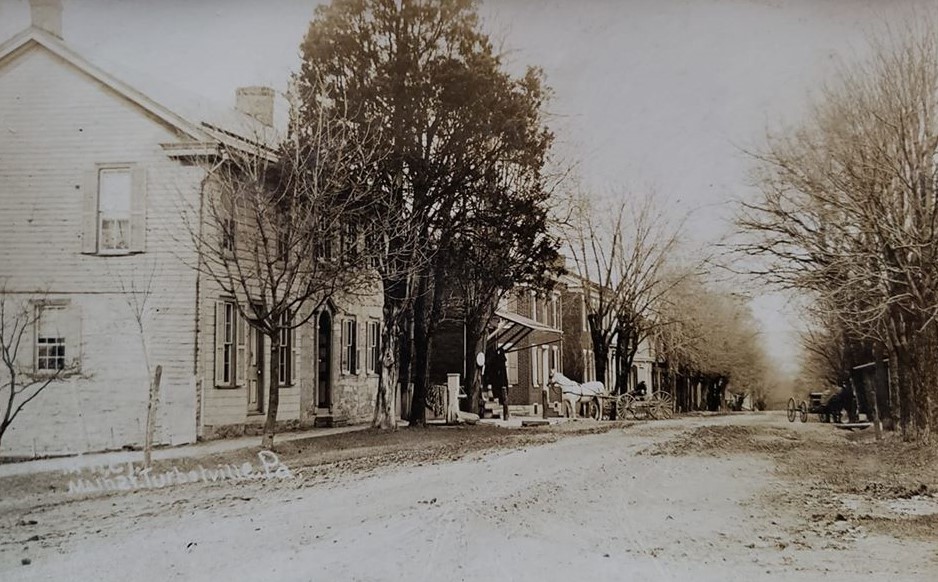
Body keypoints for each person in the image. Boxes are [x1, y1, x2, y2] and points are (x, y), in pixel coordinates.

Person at [488, 347, 509, 420]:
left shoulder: (499, 362)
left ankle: (505, 413)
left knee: (500, 392)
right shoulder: (498, 361)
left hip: (499, 381)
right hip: (499, 381)